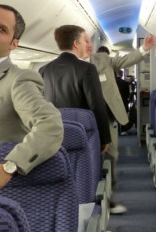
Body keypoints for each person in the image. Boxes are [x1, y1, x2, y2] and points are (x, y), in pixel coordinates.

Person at [0, 4, 63, 194]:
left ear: (14, 44)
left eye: (1, 29)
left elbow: (50, 124)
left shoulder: (18, 79)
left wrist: (9, 166)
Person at [80, 35, 156, 214]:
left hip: (106, 118)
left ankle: (109, 198)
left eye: (91, 41)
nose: (90, 45)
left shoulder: (102, 60)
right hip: (83, 120)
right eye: (86, 41)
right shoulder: (67, 67)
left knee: (111, 156)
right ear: (75, 44)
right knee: (85, 161)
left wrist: (144, 48)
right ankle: (88, 201)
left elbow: (125, 60)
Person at [39, 25, 111, 153]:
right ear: (76, 44)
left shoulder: (44, 70)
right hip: (82, 135)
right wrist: (104, 138)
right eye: (84, 41)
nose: (87, 45)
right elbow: (97, 105)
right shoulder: (87, 68)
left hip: (51, 136)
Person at [115, 69, 131, 135]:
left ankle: (116, 130)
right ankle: (123, 130)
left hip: (114, 102)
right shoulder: (125, 83)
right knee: (123, 115)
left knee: (114, 116)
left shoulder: (111, 82)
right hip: (123, 101)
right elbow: (128, 95)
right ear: (121, 74)